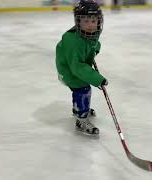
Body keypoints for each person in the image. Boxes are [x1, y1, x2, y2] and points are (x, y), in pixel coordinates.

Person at [55, 0, 108, 136]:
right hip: (68, 71)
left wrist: (94, 50)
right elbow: (77, 67)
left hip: (73, 67)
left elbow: (93, 44)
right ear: (78, 23)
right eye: (85, 21)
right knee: (83, 89)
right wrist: (97, 79)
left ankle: (78, 108)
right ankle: (81, 119)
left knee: (79, 90)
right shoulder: (73, 41)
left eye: (93, 21)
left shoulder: (90, 35)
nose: (90, 25)